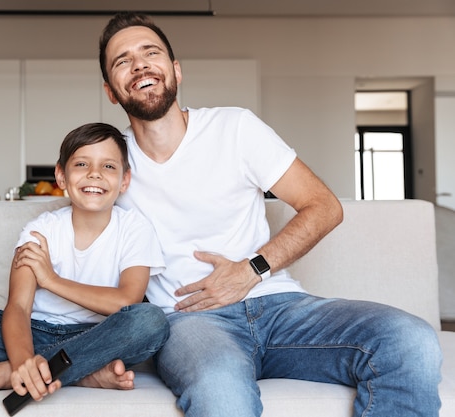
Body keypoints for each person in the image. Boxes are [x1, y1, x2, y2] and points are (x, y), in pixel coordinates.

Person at [98, 12, 442, 417]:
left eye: (150, 52)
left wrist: (250, 270)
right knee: (221, 393)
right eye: (122, 61)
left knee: (410, 340)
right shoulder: (107, 163)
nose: (139, 65)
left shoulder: (235, 127)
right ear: (111, 92)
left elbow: (324, 207)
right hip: (191, 324)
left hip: (279, 307)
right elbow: (82, 252)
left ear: (175, 70)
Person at [0, 122, 169, 402]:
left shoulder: (135, 229)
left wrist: (52, 280)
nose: (94, 174)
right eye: (81, 164)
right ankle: (81, 372)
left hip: (98, 334)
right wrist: (22, 361)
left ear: (124, 180)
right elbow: (17, 307)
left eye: (109, 167)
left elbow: (127, 299)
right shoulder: (39, 231)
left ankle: (3, 376)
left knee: (151, 322)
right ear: (61, 176)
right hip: (35, 331)